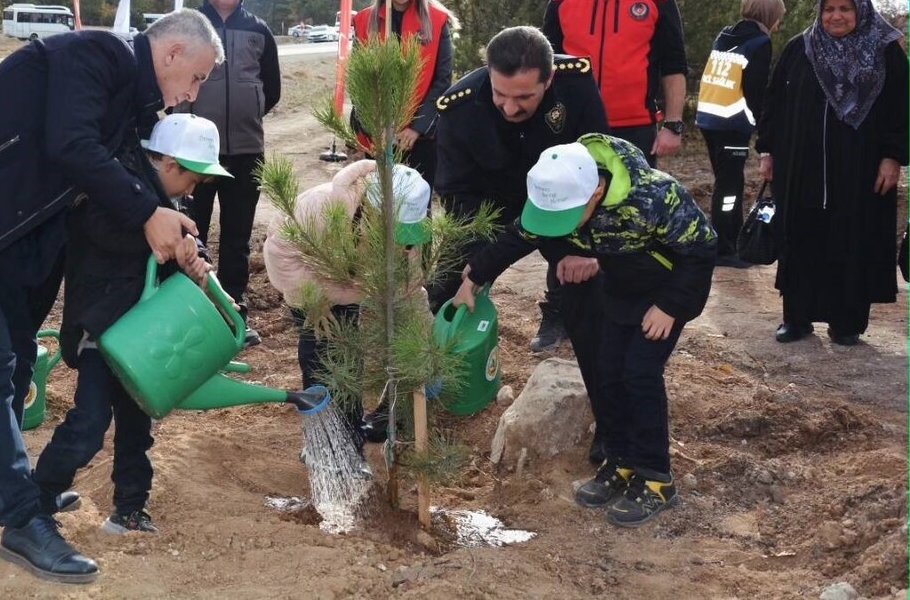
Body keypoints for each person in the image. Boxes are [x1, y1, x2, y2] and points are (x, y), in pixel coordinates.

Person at [0, 10, 222, 583]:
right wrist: (146, 213)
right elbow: (72, 145)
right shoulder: (95, 57)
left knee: (14, 360)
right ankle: (22, 519)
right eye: (197, 78)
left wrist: (178, 233)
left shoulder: (130, 102)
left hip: (5, 234)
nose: (191, 95)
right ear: (172, 54)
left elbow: (124, 173)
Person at [454, 134, 716, 527]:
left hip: (664, 292)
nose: (555, 228)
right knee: (606, 371)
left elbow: (701, 250)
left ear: (596, 191)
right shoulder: (558, 190)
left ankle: (656, 477)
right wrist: (472, 279)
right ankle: (622, 461)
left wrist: (671, 307)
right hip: (620, 290)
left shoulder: (655, 196)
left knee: (639, 374)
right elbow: (517, 237)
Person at [33, 114, 229, 537]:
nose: (194, 191)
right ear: (170, 165)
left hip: (146, 337)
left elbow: (190, 251)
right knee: (88, 427)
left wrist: (196, 265)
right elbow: (99, 234)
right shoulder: (114, 193)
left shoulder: (176, 205)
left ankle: (129, 509)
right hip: (99, 332)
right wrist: (165, 241)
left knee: (137, 427)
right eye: (192, 180)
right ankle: (39, 495)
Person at [433, 27, 610, 447]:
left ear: (548, 81)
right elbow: (457, 192)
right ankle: (428, 395)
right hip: (488, 209)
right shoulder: (459, 107)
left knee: (593, 298)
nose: (510, 107)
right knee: (445, 289)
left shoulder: (577, 87)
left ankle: (607, 417)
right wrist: (480, 261)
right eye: (500, 94)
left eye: (525, 98)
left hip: (564, 207)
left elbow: (599, 164)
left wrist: (578, 245)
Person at [757, 0, 907, 346]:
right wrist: (767, 150)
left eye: (845, 9)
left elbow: (902, 110)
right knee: (801, 237)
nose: (836, 16)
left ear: (860, 10)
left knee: (852, 238)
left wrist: (894, 157)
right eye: (829, 9)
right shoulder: (800, 48)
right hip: (799, 167)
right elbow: (773, 104)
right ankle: (797, 317)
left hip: (860, 170)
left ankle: (847, 322)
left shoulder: (885, 51)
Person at [262, 162, 431, 452]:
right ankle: (323, 440)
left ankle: (350, 434)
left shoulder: (408, 238)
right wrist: (311, 299)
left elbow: (410, 289)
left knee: (349, 357)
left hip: (352, 288)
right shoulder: (322, 206)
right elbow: (279, 252)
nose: (400, 242)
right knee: (320, 354)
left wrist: (425, 342)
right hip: (310, 282)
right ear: (374, 210)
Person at [179, 0, 280, 324]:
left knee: (237, 238)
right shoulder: (188, 25)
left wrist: (245, 113)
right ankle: (193, 309)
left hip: (246, 150)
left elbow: (272, 89)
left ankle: (234, 310)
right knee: (192, 232)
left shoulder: (258, 31)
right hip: (194, 154)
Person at [542, 0, 688, 165]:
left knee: (634, 204)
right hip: (573, 126)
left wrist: (673, 125)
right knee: (577, 204)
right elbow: (545, 65)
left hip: (635, 129)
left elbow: (674, 64)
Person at [352, 0, 456, 186]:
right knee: (377, 207)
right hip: (378, 133)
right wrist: (374, 127)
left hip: (419, 138)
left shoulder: (438, 22)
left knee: (417, 207)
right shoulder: (363, 22)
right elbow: (359, 81)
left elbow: (442, 80)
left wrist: (416, 129)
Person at [695, 0, 785, 266]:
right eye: (779, 16)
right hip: (733, 122)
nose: (779, 22)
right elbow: (756, 90)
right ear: (770, 16)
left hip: (710, 118)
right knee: (729, 187)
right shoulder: (759, 42)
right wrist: (766, 129)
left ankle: (728, 241)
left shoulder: (725, 36)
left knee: (727, 181)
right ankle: (724, 248)